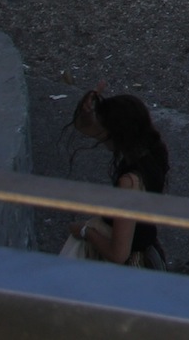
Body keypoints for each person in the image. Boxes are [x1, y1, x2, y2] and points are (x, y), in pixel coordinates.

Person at [65, 90, 168, 266]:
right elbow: (86, 127)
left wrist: (85, 231)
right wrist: (87, 111)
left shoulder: (129, 182)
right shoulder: (155, 151)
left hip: (131, 269)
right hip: (150, 253)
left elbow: (119, 254)